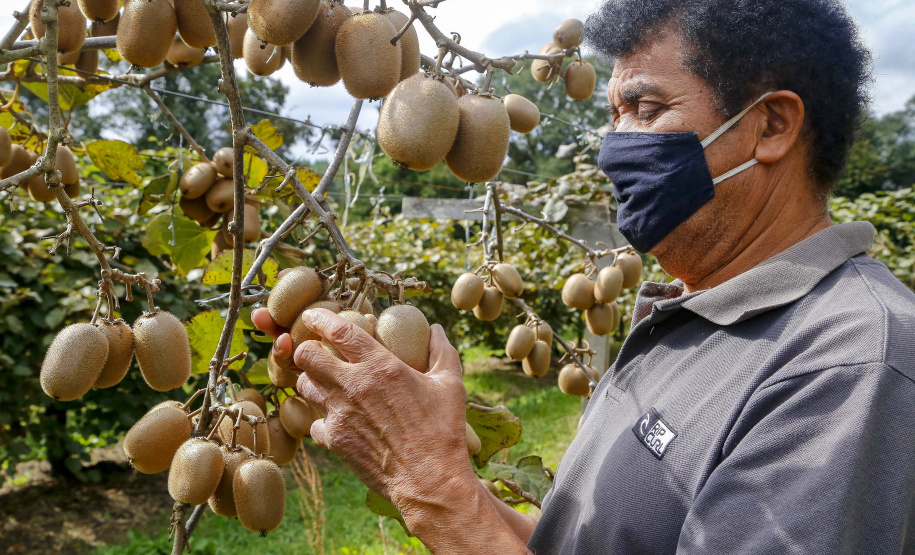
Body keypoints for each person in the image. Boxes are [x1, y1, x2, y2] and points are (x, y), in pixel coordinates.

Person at [253, 0, 915, 552]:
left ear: (770, 125)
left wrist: (432, 486)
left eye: (646, 110)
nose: (613, 148)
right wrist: (416, 455)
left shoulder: (847, 363)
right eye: (612, 115)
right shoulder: (688, 315)